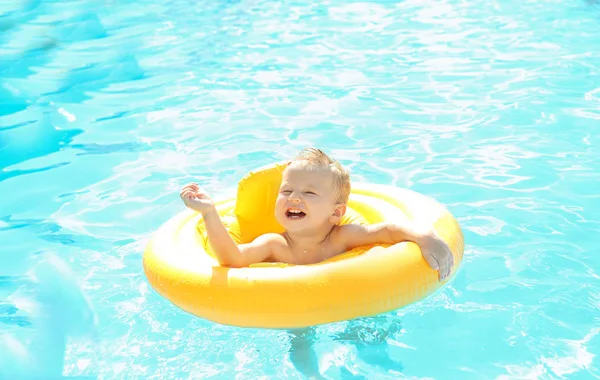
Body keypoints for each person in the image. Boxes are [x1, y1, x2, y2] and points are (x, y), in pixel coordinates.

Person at [180, 147, 454, 280]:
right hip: (293, 303)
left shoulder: (343, 236)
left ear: (336, 213)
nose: (295, 198)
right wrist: (209, 214)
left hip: (350, 296)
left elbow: (387, 230)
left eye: (309, 193)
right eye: (286, 191)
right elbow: (232, 259)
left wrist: (425, 236)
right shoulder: (274, 245)